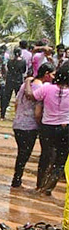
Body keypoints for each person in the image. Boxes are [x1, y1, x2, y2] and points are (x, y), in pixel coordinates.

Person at [10, 63, 54, 188]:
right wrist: (40, 125)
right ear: (46, 74)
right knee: (25, 153)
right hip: (30, 125)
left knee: (21, 152)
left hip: (18, 123)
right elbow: (38, 112)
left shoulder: (26, 84)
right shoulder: (42, 88)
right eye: (52, 74)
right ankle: (17, 179)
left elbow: (17, 102)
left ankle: (17, 178)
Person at [34, 60, 69, 196]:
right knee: (60, 161)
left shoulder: (47, 88)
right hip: (65, 128)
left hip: (47, 127)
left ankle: (39, 186)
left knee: (45, 156)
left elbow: (32, 96)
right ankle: (47, 190)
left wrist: (27, 83)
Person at [0, 48, 27, 119]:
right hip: (18, 80)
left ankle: (2, 115)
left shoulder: (10, 61)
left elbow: (8, 68)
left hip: (10, 80)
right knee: (19, 98)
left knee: (6, 97)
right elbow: (23, 71)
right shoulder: (23, 61)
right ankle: (19, 115)